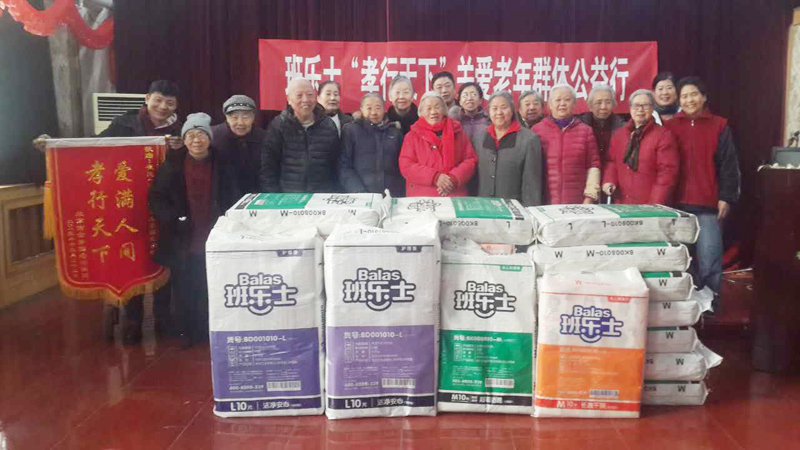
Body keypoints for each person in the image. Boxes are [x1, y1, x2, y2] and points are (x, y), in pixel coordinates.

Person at [148, 113, 241, 348]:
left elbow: (234, 197)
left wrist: (227, 223)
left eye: (201, 134)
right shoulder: (172, 165)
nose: (196, 140)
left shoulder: (224, 164)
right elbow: (156, 198)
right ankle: (185, 332)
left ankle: (208, 330)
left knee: (211, 285)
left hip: (214, 235)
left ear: (209, 138)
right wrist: (173, 218)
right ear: (184, 139)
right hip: (182, 237)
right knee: (184, 287)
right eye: (190, 135)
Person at [665, 77, 740, 307]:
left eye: (694, 94)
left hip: (708, 204)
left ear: (704, 97)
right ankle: (681, 305)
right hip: (676, 205)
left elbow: (729, 165)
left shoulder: (719, 126)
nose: (689, 100)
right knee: (679, 260)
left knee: (710, 258)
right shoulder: (670, 127)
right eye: (684, 96)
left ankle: (709, 304)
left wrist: (726, 197)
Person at [260, 78, 341, 193]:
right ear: (289, 99)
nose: (305, 100)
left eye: (310, 95)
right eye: (299, 95)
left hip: (321, 194)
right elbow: (268, 166)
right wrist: (273, 195)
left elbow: (336, 164)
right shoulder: (279, 125)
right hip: (288, 195)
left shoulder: (328, 125)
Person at [602, 89, 679, 205]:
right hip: (622, 203)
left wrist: (654, 204)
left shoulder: (663, 136)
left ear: (653, 108)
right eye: (636, 105)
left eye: (645, 105)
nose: (640, 110)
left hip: (649, 205)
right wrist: (609, 181)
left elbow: (666, 173)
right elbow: (612, 162)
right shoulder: (619, 135)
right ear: (630, 108)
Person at [532, 84, 601, 204]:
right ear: (550, 104)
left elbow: (593, 165)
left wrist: (589, 197)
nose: (562, 104)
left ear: (574, 104)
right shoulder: (537, 130)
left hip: (578, 203)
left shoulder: (585, 131)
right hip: (545, 203)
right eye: (558, 100)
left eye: (567, 100)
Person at [399, 91, 477, 197]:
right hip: (423, 197)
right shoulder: (412, 136)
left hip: (454, 193)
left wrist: (453, 179)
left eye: (437, 107)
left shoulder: (458, 132)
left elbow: (470, 160)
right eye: (428, 108)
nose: (433, 112)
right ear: (421, 112)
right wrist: (435, 177)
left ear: (444, 110)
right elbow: (406, 165)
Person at [476, 91, 543, 206]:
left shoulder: (529, 139)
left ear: (512, 110)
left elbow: (532, 183)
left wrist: (529, 210)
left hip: (514, 208)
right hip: (484, 206)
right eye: (494, 108)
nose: (499, 112)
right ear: (489, 112)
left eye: (504, 107)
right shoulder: (479, 138)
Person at [339, 93, 405, 196]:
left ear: (384, 109)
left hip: (391, 195)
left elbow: (403, 166)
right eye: (369, 108)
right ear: (361, 109)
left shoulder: (395, 133)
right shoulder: (351, 131)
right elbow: (344, 166)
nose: (374, 112)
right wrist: (359, 192)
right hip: (360, 195)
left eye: (378, 108)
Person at [211, 95, 264, 194]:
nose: (240, 123)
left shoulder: (264, 138)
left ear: (253, 117)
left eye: (245, 117)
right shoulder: (213, 137)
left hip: (256, 195)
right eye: (234, 117)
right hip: (223, 195)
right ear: (226, 117)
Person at [578, 84, 626, 159]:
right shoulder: (579, 127)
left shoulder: (623, 128)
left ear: (614, 105)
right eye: (598, 102)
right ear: (590, 106)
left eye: (608, 102)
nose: (603, 107)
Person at [448, 82, 490, 152]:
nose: (469, 98)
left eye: (474, 95)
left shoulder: (489, 120)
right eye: (465, 95)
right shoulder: (454, 122)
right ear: (460, 101)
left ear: (480, 100)